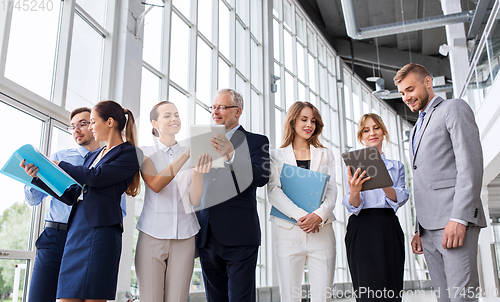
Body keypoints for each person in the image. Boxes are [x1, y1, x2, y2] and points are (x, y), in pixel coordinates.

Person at [22, 100, 142, 302]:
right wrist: (39, 176)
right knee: (66, 297)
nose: (91, 127)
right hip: (76, 231)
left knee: (93, 297)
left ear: (110, 122)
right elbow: (72, 194)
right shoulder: (94, 155)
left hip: (102, 231)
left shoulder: (130, 153)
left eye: (92, 122)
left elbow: (96, 177)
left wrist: (60, 165)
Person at [394, 63, 486, 302]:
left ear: (428, 82)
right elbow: (424, 179)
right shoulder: (416, 128)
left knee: (461, 298)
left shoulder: (453, 108)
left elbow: (470, 165)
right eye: (402, 93)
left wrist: (459, 218)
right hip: (427, 228)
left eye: (410, 89)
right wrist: (418, 228)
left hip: (453, 221)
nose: (406, 97)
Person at [196, 88, 270, 302]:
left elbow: (260, 177)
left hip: (239, 235)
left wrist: (231, 155)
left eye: (221, 107)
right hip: (207, 235)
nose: (215, 112)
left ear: (237, 111)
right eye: (213, 107)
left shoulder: (256, 141)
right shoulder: (203, 142)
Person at [21, 108, 99, 302]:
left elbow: (119, 209)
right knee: (39, 297)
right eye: (72, 127)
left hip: (87, 239)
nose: (76, 130)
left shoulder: (106, 162)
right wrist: (33, 178)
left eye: (82, 123)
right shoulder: (59, 157)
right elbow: (32, 200)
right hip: (54, 237)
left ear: (95, 124)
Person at [135, 101, 211, 302]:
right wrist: (186, 155)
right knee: (150, 298)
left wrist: (197, 173)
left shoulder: (193, 151)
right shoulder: (145, 152)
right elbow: (156, 185)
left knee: (177, 299)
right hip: (152, 233)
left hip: (185, 235)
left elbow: (194, 199)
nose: (174, 119)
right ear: (154, 123)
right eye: (167, 115)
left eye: (176, 114)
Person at [267, 101, 337, 302]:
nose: (309, 125)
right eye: (304, 119)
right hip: (288, 232)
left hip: (321, 231)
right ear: (293, 122)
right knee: (290, 297)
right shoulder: (276, 156)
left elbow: (332, 191)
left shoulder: (325, 154)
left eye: (313, 121)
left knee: (323, 297)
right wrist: (303, 217)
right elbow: (274, 191)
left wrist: (318, 216)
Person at [342, 113, 409, 301]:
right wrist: (355, 191)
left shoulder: (397, 166)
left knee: (391, 287)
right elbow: (352, 205)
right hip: (361, 228)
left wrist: (382, 181)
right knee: (367, 289)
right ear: (361, 136)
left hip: (388, 226)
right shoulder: (352, 165)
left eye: (376, 128)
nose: (372, 133)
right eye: (366, 130)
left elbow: (401, 197)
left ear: (383, 132)